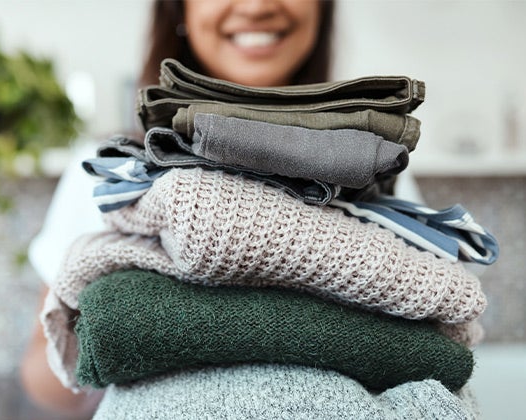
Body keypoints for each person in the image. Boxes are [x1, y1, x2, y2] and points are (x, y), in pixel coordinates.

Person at [20, 0, 336, 417]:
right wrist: (112, 334)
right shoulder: (113, 175)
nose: (258, 5)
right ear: (178, 11)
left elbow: (434, 340)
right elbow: (43, 377)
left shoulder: (375, 169)